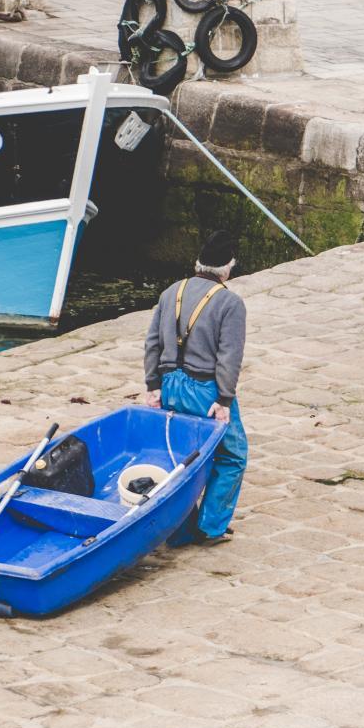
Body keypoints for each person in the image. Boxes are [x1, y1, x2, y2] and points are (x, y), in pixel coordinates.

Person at [143, 230, 248, 546]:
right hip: (205, 390)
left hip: (169, 384)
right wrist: (225, 399)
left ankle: (179, 528)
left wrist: (153, 385)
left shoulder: (171, 292)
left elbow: (152, 343)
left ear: (197, 263)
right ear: (228, 268)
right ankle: (210, 527)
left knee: (181, 456)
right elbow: (230, 356)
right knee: (232, 456)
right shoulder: (230, 303)